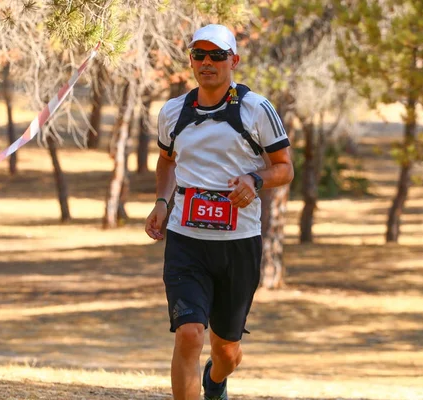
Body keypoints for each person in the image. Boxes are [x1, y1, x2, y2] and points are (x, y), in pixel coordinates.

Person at [145, 23, 293, 400]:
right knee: (189, 334)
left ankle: (216, 380)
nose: (207, 62)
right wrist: (163, 202)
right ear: (191, 61)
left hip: (238, 245)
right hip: (186, 241)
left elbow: (285, 167)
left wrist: (255, 181)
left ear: (234, 61)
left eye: (217, 55)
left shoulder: (256, 110)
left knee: (225, 349)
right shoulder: (173, 112)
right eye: (199, 55)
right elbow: (167, 162)